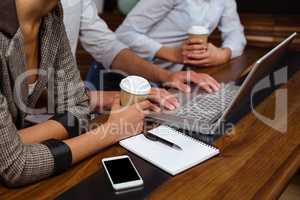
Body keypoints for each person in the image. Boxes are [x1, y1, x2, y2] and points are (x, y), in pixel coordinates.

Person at [0, 0, 155, 187]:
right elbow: (15, 167)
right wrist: (110, 132)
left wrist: (14, 143)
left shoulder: (51, 14)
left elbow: (78, 105)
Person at [61, 0, 220, 96]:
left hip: (70, 103)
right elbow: (125, 34)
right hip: (52, 107)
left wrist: (167, 76)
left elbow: (106, 45)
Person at [116, 0, 247, 71]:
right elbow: (124, 34)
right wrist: (173, 54)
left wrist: (224, 54)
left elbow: (235, 33)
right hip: (129, 73)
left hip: (169, 77)